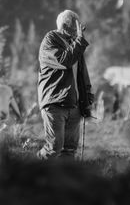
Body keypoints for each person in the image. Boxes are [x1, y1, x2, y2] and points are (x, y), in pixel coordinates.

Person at [37, 9, 94, 159]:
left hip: (73, 104)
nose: (78, 29)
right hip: (55, 103)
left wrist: (87, 97)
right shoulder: (50, 40)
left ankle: (62, 181)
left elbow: (82, 74)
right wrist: (79, 42)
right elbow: (64, 61)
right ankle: (30, 174)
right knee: (53, 148)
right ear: (64, 26)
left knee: (69, 150)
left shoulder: (74, 44)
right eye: (75, 25)